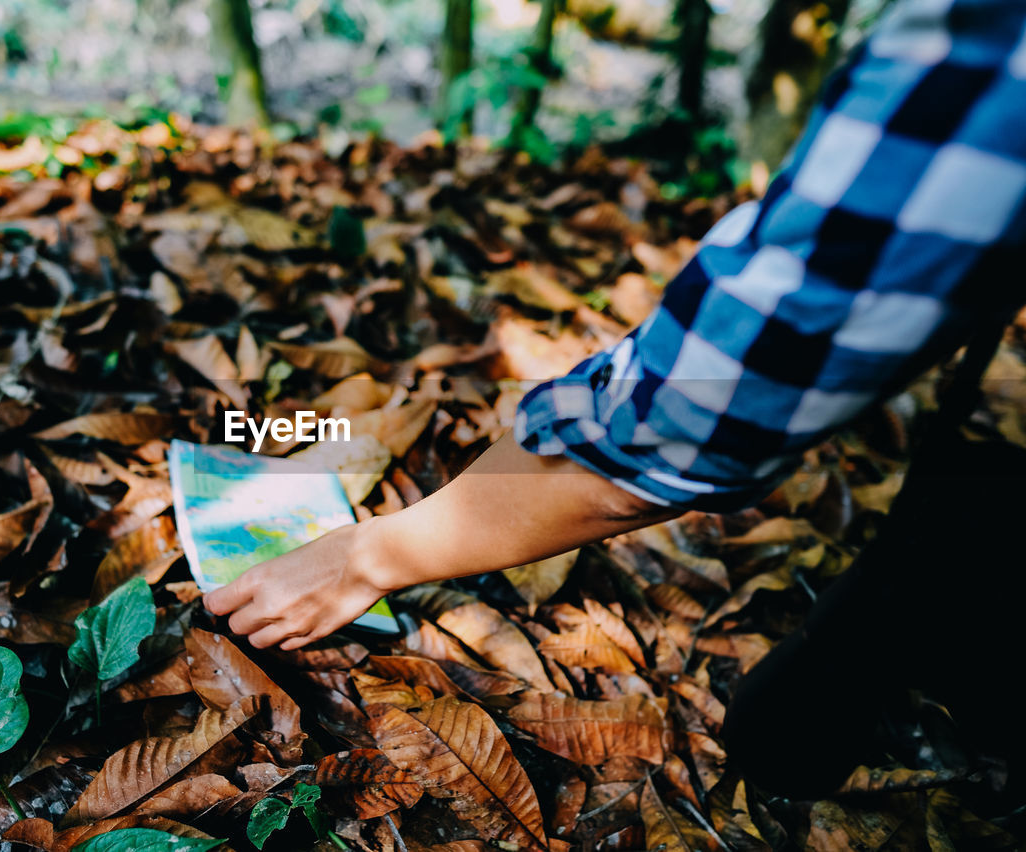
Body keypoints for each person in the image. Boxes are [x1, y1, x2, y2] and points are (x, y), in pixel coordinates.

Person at [205, 0, 1026, 798]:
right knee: (791, 716)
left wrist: (369, 555)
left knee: (792, 727)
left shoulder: (987, 54)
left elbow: (701, 403)